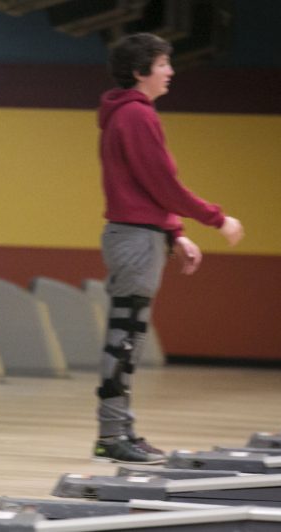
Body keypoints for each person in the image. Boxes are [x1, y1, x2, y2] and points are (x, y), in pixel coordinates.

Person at [93, 33, 244, 464]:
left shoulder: (129, 115)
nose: (170, 71)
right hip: (134, 240)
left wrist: (175, 234)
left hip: (141, 235)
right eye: (163, 64)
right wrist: (216, 218)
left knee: (129, 340)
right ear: (141, 71)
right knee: (124, 340)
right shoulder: (136, 116)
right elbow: (163, 184)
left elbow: (146, 188)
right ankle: (111, 434)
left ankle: (121, 430)